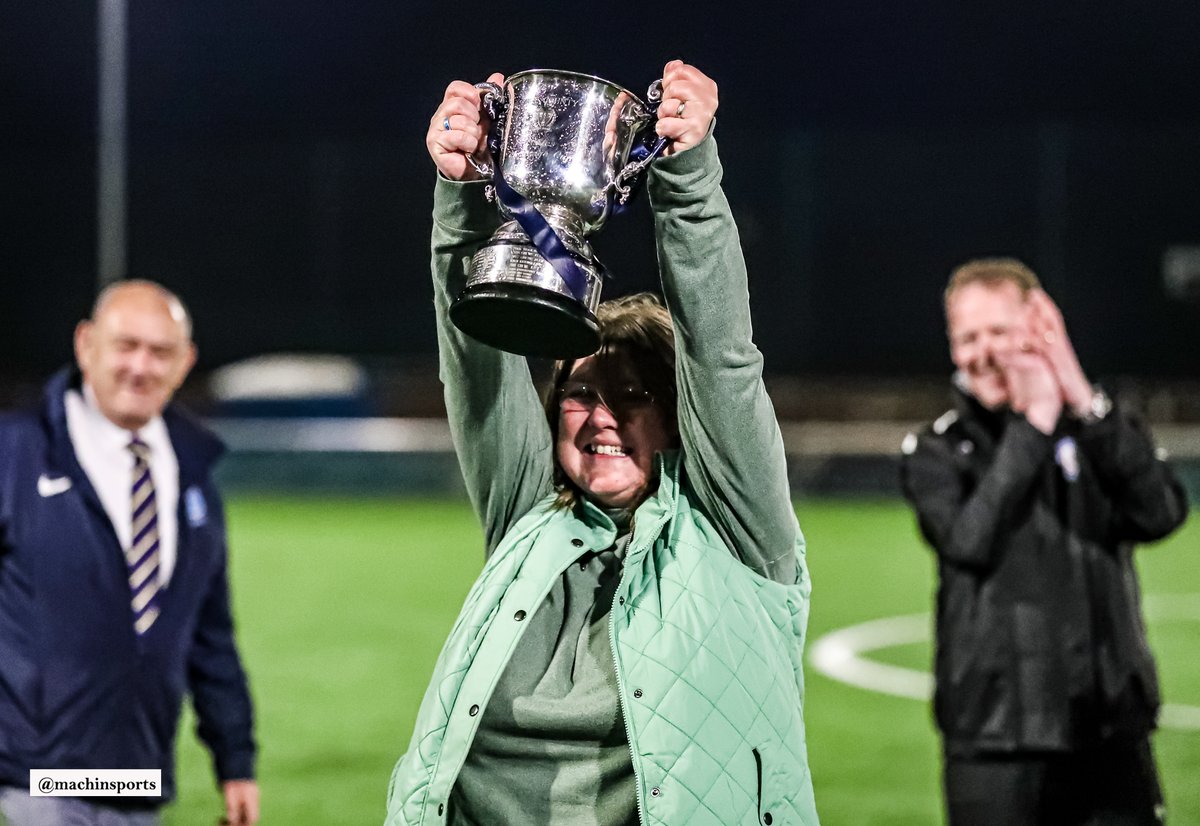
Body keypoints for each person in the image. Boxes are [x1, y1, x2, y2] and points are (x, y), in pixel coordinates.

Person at [386, 61, 819, 826]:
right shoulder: (529, 516)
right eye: (580, 395)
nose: (601, 418)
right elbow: (476, 362)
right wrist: (462, 191)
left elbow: (721, 358)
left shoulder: (738, 531)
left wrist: (686, 181)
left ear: (680, 416)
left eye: (635, 396)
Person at [901, 258, 1188, 825]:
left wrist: (1079, 396)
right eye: (967, 337)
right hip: (994, 737)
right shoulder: (937, 450)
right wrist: (1034, 427)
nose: (982, 352)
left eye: (999, 332)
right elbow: (969, 540)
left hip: (1109, 732)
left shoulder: (1098, 429)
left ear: (1040, 333)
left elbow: (1160, 513)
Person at [0, 281, 259, 825]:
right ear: (85, 344)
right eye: (126, 345)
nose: (140, 367)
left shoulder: (195, 479)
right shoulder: (15, 452)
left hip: (137, 780)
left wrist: (235, 761)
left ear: (185, 362)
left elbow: (211, 640)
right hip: (29, 779)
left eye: (160, 351)